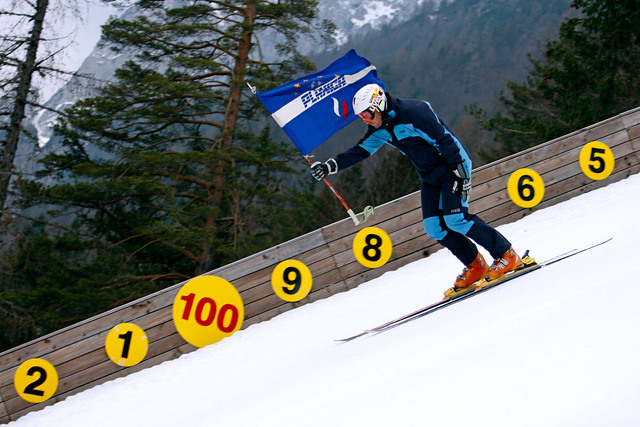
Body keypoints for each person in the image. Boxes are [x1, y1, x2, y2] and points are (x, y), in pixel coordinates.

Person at [310, 83, 523, 297]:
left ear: (379, 104)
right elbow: (359, 151)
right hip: (430, 177)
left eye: (367, 113)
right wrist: (329, 166)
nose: (365, 119)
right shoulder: (380, 129)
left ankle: (506, 254)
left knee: (457, 219)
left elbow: (444, 139)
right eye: (361, 116)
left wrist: (460, 171)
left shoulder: (414, 112)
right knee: (434, 228)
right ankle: (475, 266)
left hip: (453, 167)